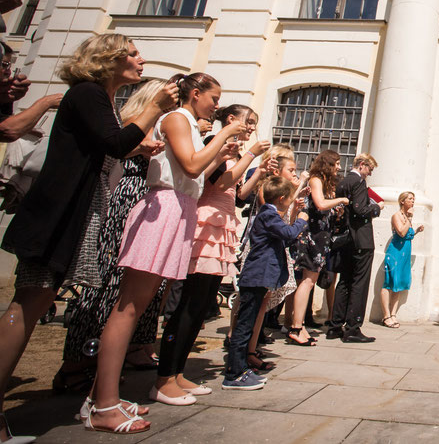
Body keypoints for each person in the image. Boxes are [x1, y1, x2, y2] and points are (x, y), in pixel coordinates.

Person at [0, 34, 178, 441]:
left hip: (70, 211)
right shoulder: (88, 93)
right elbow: (113, 143)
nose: (140, 59)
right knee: (28, 303)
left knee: (36, 299)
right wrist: (154, 107)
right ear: (108, 59)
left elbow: (109, 148)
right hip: (56, 214)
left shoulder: (99, 100)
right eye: (132, 53)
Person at [86, 73, 245, 432]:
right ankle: (102, 404)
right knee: (129, 308)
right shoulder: (174, 119)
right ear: (194, 93)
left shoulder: (189, 123)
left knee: (140, 307)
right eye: (213, 97)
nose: (217, 105)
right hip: (165, 207)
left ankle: (102, 396)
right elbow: (189, 165)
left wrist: (220, 149)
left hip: (182, 207)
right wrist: (223, 135)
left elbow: (198, 174)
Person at [55, 81, 169, 392]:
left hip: (147, 199)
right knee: (104, 280)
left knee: (137, 283)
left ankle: (125, 351)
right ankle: (76, 364)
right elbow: (117, 152)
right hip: (125, 200)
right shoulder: (134, 124)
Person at [153, 104, 269, 402]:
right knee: (189, 303)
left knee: (203, 304)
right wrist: (251, 154)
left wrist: (258, 173)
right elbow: (219, 182)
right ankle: (165, 377)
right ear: (231, 120)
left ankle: (178, 374)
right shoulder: (212, 144)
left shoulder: (230, 150)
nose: (251, 127)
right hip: (205, 224)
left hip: (221, 225)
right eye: (249, 121)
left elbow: (239, 194)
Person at [224, 176, 308, 390]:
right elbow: (289, 232)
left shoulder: (271, 213)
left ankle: (242, 368)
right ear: (281, 198)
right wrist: (302, 220)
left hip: (261, 277)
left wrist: (296, 216)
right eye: (289, 198)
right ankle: (234, 373)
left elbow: (287, 239)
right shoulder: (268, 213)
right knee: (244, 326)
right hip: (256, 275)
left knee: (248, 325)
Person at [289, 149, 348, 345]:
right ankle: (296, 327)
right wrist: (339, 200)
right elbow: (320, 204)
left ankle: (300, 326)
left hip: (321, 237)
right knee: (306, 282)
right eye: (336, 163)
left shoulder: (325, 182)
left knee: (309, 282)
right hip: (311, 236)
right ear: (327, 163)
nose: (339, 167)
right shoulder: (315, 179)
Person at [327, 153, 382, 344]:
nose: (369, 174)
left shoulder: (343, 182)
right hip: (361, 239)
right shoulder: (358, 182)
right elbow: (360, 210)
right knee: (359, 283)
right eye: (370, 170)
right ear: (362, 165)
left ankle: (335, 325)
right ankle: (353, 327)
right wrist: (377, 208)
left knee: (345, 281)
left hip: (346, 239)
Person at [381, 191, 425, 327]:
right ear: (402, 201)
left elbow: (408, 236)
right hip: (395, 254)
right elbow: (401, 232)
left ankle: (393, 314)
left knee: (399, 284)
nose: (413, 201)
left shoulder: (406, 217)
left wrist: (416, 231)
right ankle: (386, 315)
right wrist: (410, 219)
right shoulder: (397, 216)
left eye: (414, 199)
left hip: (404, 255)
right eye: (410, 199)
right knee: (389, 283)